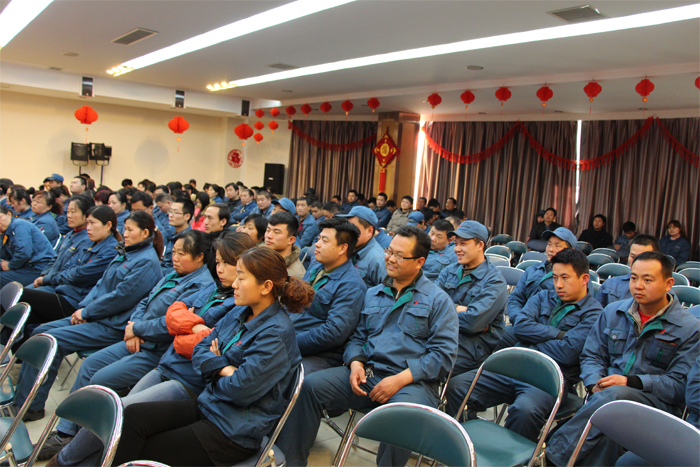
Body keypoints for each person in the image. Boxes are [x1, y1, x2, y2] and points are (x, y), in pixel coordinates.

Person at [41, 233, 256, 464]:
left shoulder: (238, 303)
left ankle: (62, 461)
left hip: (188, 380)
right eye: (219, 261)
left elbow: (202, 342)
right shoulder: (213, 289)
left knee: (117, 413)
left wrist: (182, 328)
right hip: (166, 364)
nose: (220, 269)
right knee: (113, 414)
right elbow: (171, 313)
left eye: (229, 263)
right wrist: (147, 326)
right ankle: (72, 455)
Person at [108, 247, 312, 467]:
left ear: (266, 287)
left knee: (145, 451)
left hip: (231, 431)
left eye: (241, 278)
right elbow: (200, 349)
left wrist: (216, 364)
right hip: (209, 405)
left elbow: (240, 390)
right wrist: (224, 368)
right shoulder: (239, 311)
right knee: (131, 417)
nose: (233, 284)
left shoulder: (276, 334)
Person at [276, 225, 459, 467]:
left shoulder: (438, 300)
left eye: (399, 256)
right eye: (389, 251)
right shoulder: (373, 294)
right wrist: (355, 363)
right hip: (367, 375)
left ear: (419, 262)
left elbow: (443, 356)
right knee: (308, 386)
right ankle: (292, 463)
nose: (390, 259)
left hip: (411, 383)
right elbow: (357, 338)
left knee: (403, 416)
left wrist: (400, 379)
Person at [40, 230, 214, 424]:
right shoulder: (173, 274)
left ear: (199, 257)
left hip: (156, 350)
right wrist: (134, 327)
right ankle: (67, 427)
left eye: (182, 254)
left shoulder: (201, 286)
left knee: (100, 379)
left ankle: (75, 433)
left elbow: (170, 324)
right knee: (89, 366)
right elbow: (145, 301)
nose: (174, 258)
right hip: (135, 338)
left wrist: (138, 329)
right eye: (173, 252)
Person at [545, 251, 699, 466]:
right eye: (634, 278)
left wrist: (629, 382)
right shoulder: (613, 311)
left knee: (615, 396)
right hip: (604, 395)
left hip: (654, 405)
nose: (637, 285)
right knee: (609, 437)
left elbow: (679, 385)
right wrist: (592, 384)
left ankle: (552, 457)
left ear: (668, 283)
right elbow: (592, 354)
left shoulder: (689, 328)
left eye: (647, 280)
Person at [10, 210, 165, 422]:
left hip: (111, 325)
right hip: (94, 315)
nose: (125, 233)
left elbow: (121, 297)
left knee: (50, 341)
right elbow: (100, 284)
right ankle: (23, 398)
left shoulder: (146, 261)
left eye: (130, 230)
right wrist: (83, 309)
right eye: (125, 228)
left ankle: (30, 405)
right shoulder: (126, 252)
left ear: (145, 232)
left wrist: (88, 312)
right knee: (39, 332)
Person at [446, 249, 603, 442]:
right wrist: (558, 335)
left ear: (584, 278)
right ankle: (467, 445)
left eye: (565, 278)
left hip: (549, 379)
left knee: (525, 410)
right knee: (457, 386)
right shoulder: (543, 296)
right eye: (554, 278)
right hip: (516, 366)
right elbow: (519, 328)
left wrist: (534, 339)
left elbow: (568, 352)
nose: (558, 285)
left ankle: (509, 458)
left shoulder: (595, 314)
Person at [17, 206, 122, 333]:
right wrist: (69, 273)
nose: (88, 228)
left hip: (74, 300)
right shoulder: (88, 242)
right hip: (62, 290)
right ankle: (15, 350)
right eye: (87, 223)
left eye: (93, 223)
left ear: (108, 225)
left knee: (18, 294)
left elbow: (79, 275)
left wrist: (48, 279)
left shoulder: (110, 250)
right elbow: (68, 267)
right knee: (18, 316)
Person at [293, 217, 367, 374]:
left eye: (324, 241)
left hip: (318, 352)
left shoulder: (351, 285)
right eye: (319, 238)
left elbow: (333, 333)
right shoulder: (316, 266)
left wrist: (290, 341)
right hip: (291, 334)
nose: (317, 244)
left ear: (342, 248)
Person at [435, 220, 507, 375]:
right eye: (455, 244)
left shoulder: (495, 281)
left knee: (429, 364)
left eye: (463, 244)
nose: (457, 249)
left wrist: (444, 310)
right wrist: (458, 309)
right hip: (442, 335)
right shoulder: (449, 271)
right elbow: (430, 306)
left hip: (472, 347)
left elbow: (473, 323)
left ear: (480, 245)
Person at [507, 226, 579, 322]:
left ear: (571, 250)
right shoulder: (532, 270)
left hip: (551, 329)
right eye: (549, 244)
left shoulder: (577, 277)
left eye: (557, 246)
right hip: (523, 323)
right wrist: (518, 319)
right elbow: (515, 299)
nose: (551, 250)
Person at [31, 196, 94, 293]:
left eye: (73, 212)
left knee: (24, 296)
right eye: (68, 212)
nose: (69, 215)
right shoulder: (70, 234)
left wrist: (46, 280)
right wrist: (43, 275)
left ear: (87, 215)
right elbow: (55, 258)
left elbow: (70, 272)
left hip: (61, 286)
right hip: (50, 279)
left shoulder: (88, 239)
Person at [596, 234, 659, 307]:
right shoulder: (610, 284)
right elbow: (597, 315)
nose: (636, 262)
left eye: (642, 257)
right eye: (633, 256)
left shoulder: (662, 290)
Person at [0, 205, 55, 287]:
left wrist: (10, 265)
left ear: (8, 214)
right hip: (26, 266)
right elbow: (4, 256)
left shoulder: (19, 225)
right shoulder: (7, 231)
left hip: (39, 268)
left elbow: (24, 253)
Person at [336, 206, 387, 288]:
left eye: (353, 229)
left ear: (369, 231)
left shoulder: (377, 259)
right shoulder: (351, 249)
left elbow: (385, 294)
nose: (348, 233)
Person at [264, 212, 305, 279]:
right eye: (268, 230)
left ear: (291, 240)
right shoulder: (259, 256)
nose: (269, 236)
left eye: (276, 232)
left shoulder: (294, 276)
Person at [162, 198, 193, 273]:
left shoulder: (189, 239)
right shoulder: (173, 234)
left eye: (175, 212)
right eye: (170, 211)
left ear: (187, 216)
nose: (170, 215)